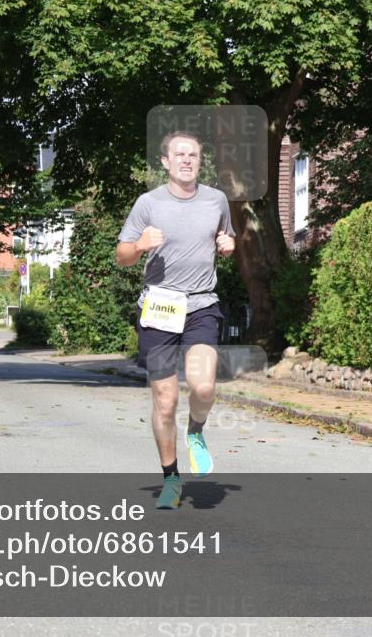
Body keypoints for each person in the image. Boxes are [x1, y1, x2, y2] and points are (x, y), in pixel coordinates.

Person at [116, 131, 235, 509]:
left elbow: (224, 238)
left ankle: (196, 431)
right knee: (165, 401)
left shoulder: (216, 200)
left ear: (200, 161)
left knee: (203, 388)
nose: (186, 160)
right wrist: (138, 246)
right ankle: (171, 479)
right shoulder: (148, 204)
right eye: (179, 154)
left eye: (193, 155)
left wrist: (228, 245)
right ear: (165, 162)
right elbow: (122, 256)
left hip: (201, 306)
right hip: (160, 308)